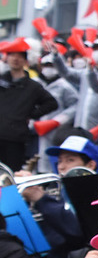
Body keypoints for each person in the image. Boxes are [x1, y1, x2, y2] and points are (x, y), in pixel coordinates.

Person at [0, 39, 58, 170]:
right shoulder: (1, 80)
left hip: (15, 139)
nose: (16, 59)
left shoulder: (33, 87)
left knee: (11, 176)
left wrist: (30, 114)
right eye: (12, 55)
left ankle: (10, 193)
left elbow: (51, 103)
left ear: (26, 60)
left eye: (20, 56)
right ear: (7, 58)